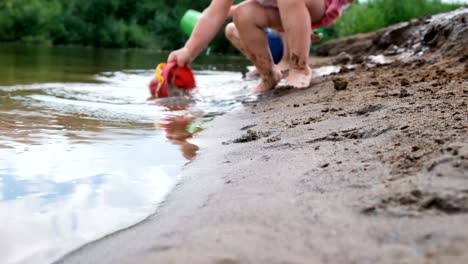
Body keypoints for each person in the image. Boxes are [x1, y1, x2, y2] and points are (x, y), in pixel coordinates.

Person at [168, 0, 354, 93]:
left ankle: (299, 67)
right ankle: (268, 74)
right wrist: (188, 51)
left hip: (315, 6)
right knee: (243, 13)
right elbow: (213, 15)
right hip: (276, 13)